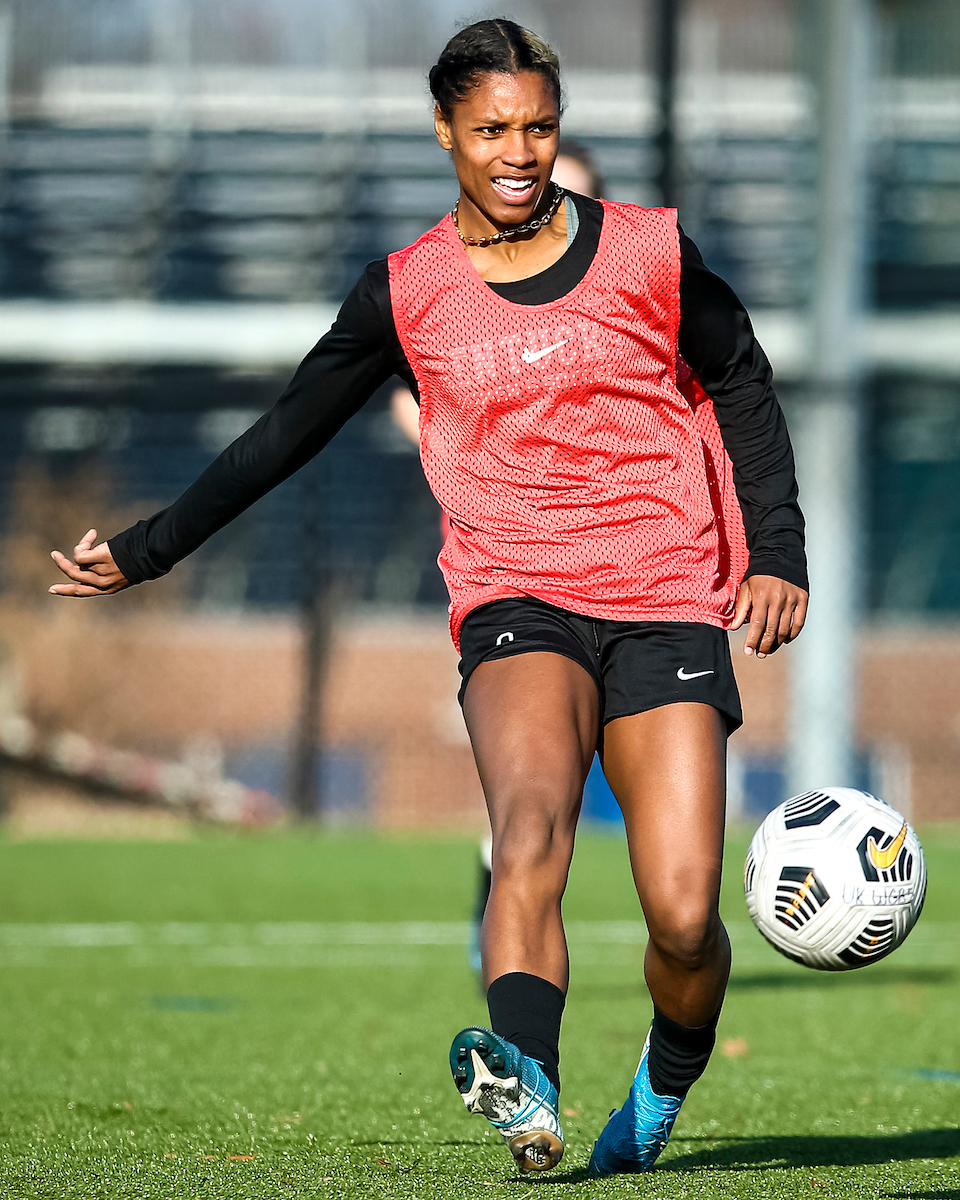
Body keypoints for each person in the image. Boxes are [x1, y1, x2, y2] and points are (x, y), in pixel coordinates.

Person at [50, 18, 808, 1178]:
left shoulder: (649, 253)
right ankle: (532, 1088)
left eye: (541, 127)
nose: (521, 151)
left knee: (687, 915)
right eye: (495, 129)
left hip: (662, 590)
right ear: (446, 130)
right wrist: (148, 550)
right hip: (514, 595)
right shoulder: (406, 291)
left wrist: (776, 552)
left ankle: (663, 1082)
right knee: (530, 831)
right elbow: (282, 437)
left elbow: (741, 378)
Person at [389, 137, 607, 974]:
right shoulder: (461, 291)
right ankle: (504, 934)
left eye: (573, 193)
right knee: (529, 792)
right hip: (509, 573)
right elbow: (408, 399)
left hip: (619, 573)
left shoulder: (614, 291)